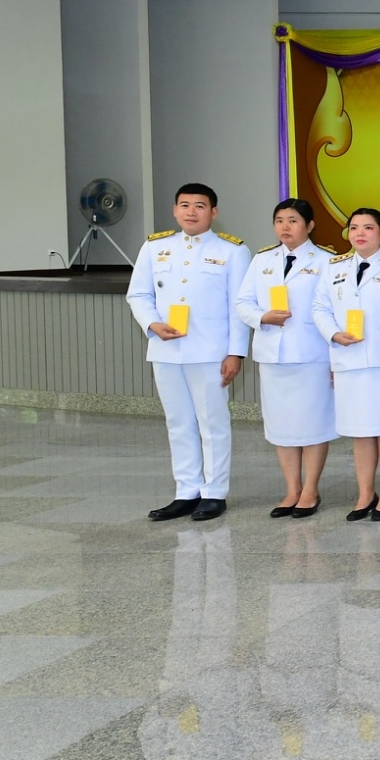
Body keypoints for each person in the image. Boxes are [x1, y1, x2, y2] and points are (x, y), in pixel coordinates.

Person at [127, 183, 253, 522]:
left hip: (211, 351)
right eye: (184, 205)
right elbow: (138, 295)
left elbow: (238, 306)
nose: (191, 212)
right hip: (166, 349)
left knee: (213, 423)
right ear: (174, 210)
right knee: (178, 422)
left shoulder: (233, 251)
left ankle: (214, 492)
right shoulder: (155, 247)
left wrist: (235, 353)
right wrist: (152, 324)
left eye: (199, 206)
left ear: (214, 211)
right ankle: (186, 491)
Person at [313, 207, 380, 521]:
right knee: (359, 431)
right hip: (348, 359)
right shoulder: (334, 268)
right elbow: (319, 308)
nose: (360, 233)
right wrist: (333, 334)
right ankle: (365, 494)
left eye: (368, 228)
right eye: (354, 227)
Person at [234, 197, 336, 519]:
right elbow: (242, 303)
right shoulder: (262, 260)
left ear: (310, 225)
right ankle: (292, 489)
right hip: (273, 355)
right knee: (281, 425)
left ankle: (311, 490)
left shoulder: (327, 261)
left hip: (312, 355)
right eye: (279, 221)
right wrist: (262, 317)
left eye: (293, 221)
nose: (285, 227)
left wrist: (337, 358)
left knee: (314, 423)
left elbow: (334, 310)